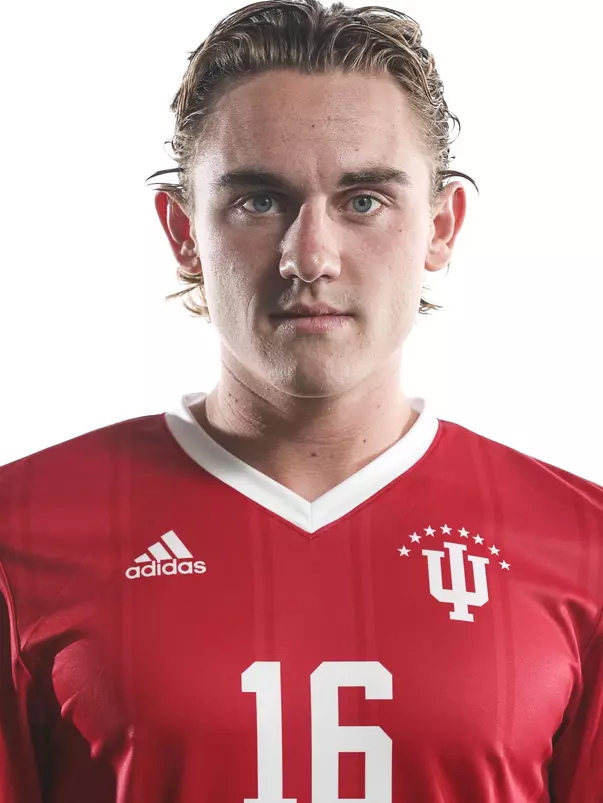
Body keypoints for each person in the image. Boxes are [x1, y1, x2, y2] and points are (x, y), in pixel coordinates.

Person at [1, 0, 602, 800]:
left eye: (362, 200)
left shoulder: (584, 547)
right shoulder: (21, 532)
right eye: (258, 200)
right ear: (182, 231)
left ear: (440, 226)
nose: (308, 255)